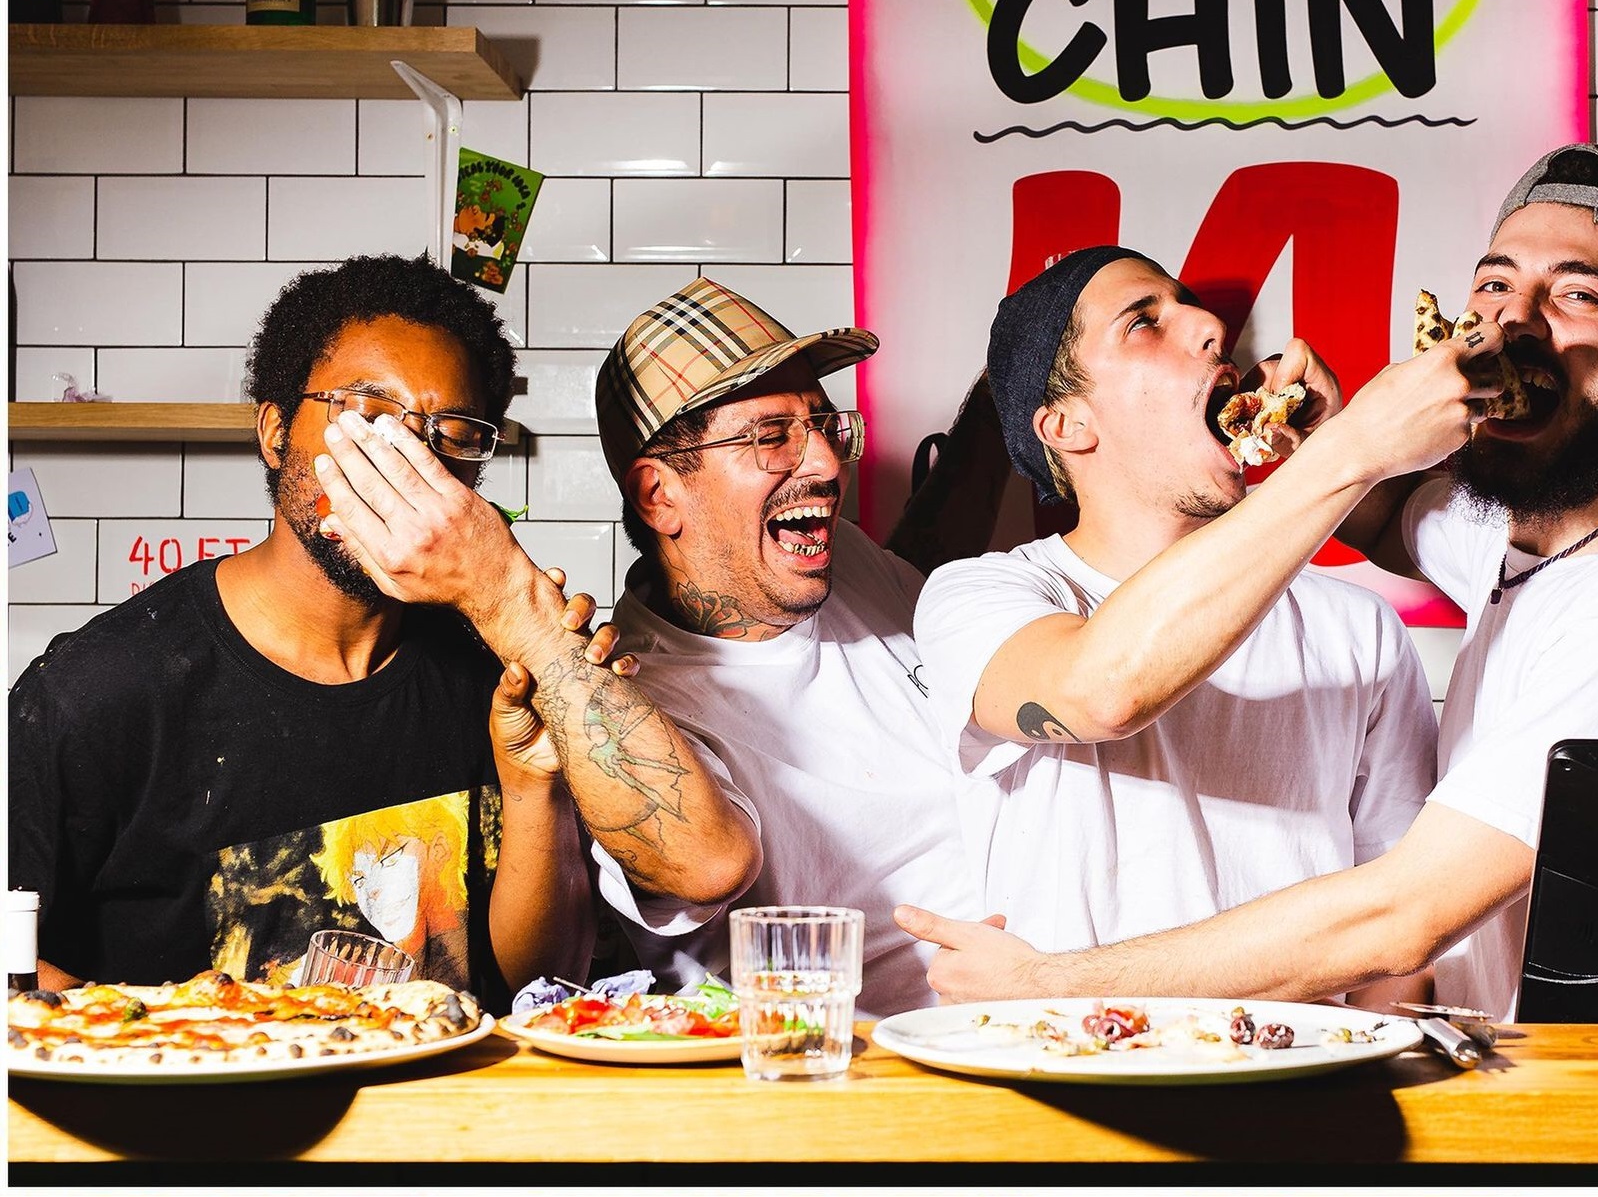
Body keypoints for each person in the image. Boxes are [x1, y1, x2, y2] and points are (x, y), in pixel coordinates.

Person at [896, 143, 1598, 1020]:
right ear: (1063, 426)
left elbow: (1403, 923)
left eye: (1578, 294)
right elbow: (1106, 686)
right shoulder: (1520, 544)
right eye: (1494, 284)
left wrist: (1047, 985)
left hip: (1591, 1088)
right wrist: (1336, 443)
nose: (1514, 321)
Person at [9, 253, 757, 1001]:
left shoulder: (497, 674)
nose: (406, 460)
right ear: (275, 432)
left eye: (451, 433)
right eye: (367, 417)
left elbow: (539, 986)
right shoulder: (94, 693)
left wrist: (536, 787)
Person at [907, 245, 1490, 1002]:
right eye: (1143, 322)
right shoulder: (981, 597)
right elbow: (1103, 693)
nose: (1212, 326)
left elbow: (1402, 939)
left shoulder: (1359, 629)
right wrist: (1352, 451)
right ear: (1067, 425)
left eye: (1189, 305)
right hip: (1068, 1064)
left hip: (1304, 1068)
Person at [593, 277, 1007, 1016]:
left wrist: (1002, 381)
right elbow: (703, 865)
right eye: (771, 435)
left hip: (1042, 1020)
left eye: (822, 424)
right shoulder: (635, 706)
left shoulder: (843, 560)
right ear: (659, 495)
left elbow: (931, 552)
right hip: (853, 1064)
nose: (825, 462)